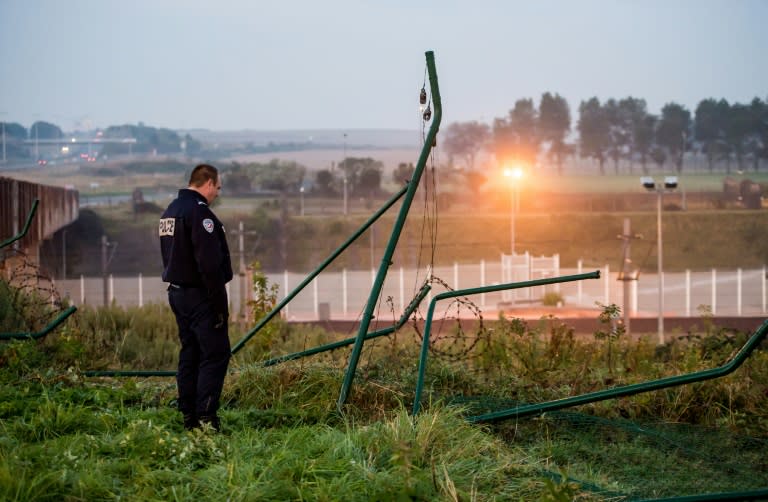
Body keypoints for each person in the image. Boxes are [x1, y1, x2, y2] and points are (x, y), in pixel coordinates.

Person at [159, 164, 233, 431]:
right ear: (209, 183)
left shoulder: (170, 212)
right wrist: (219, 307)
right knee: (215, 354)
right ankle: (206, 418)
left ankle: (189, 415)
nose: (217, 194)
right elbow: (209, 265)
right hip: (201, 295)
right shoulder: (201, 214)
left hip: (177, 293)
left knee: (189, 353)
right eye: (218, 187)